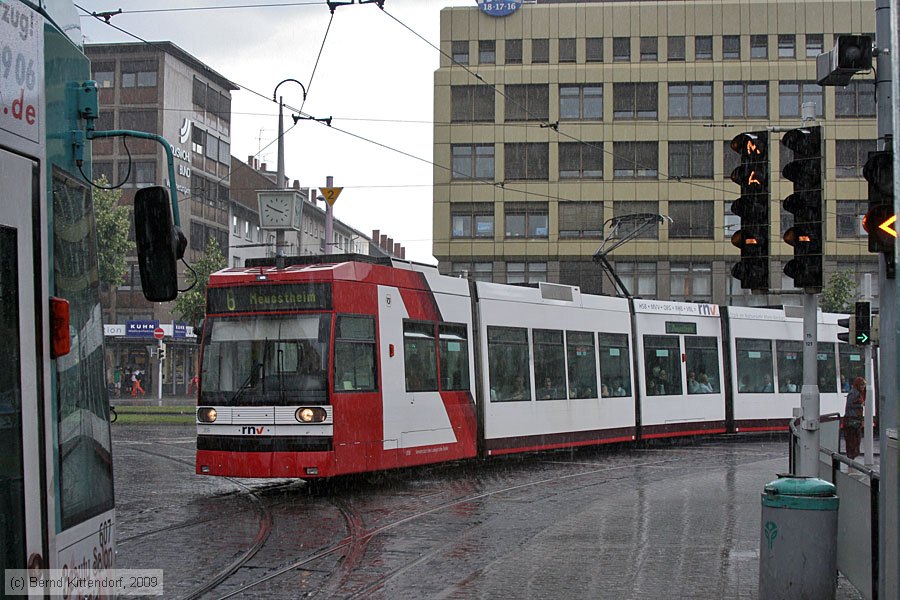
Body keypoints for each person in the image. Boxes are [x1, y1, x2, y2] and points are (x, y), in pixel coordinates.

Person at [843, 377, 866, 459]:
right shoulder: (854, 393)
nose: (863, 387)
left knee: (854, 441)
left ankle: (852, 457)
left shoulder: (857, 393)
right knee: (853, 441)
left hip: (855, 420)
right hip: (852, 420)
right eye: (862, 385)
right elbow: (849, 405)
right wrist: (860, 405)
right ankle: (851, 457)